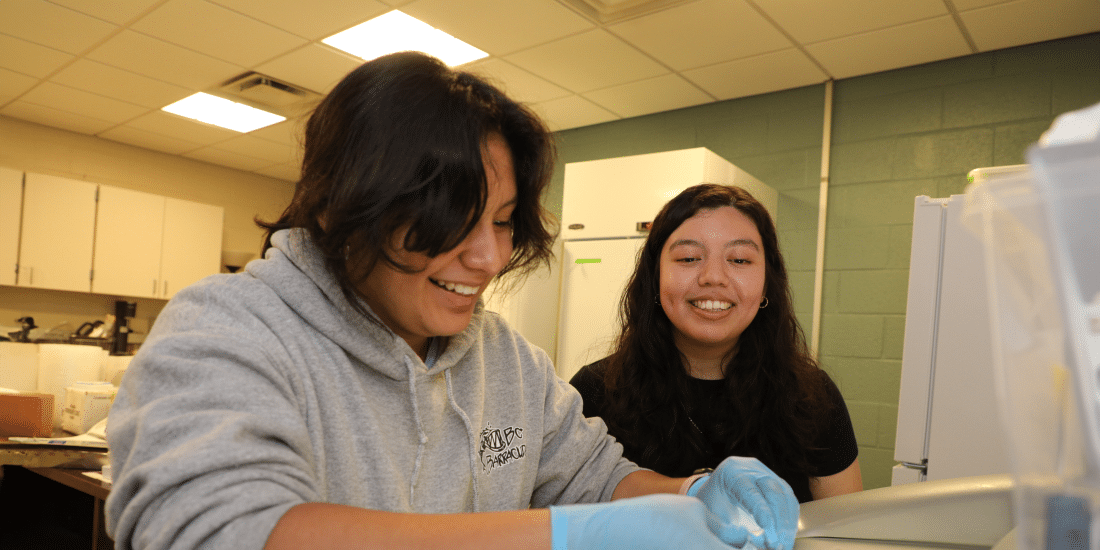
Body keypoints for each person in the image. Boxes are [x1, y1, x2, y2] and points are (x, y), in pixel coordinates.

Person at [104, 52, 800, 550]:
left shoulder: (505, 362)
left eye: (500, 221)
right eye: (452, 221)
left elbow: (596, 477)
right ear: (350, 204)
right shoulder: (228, 330)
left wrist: (692, 493)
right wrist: (564, 536)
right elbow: (224, 530)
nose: (490, 258)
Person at [569, 184, 862, 503]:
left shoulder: (813, 396)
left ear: (767, 284)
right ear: (655, 277)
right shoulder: (595, 391)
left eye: (739, 260)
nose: (713, 277)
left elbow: (844, 529)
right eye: (689, 257)